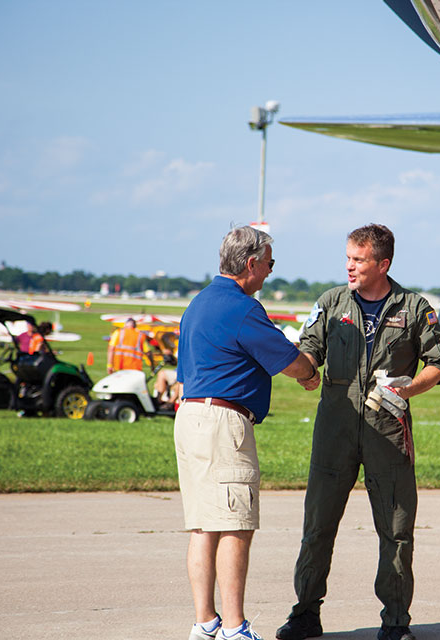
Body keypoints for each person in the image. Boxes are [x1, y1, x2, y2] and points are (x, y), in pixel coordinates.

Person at [276, 224, 440, 640]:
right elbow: (310, 352)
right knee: (317, 527)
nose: (349, 266)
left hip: (387, 433)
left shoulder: (414, 308)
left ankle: (396, 622)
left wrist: (411, 387)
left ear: (383, 264)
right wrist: (300, 369)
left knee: (396, 530)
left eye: (358, 260)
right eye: (348, 258)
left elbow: (438, 364)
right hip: (334, 431)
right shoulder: (331, 302)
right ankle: (305, 614)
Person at [175, 226, 320, 640]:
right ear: (251, 263)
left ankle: (205, 622)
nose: (271, 271)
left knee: (203, 526)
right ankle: (234, 627)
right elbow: (289, 360)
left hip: (190, 416)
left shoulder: (198, 303)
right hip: (223, 423)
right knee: (235, 524)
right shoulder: (242, 308)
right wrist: (309, 373)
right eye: (270, 263)